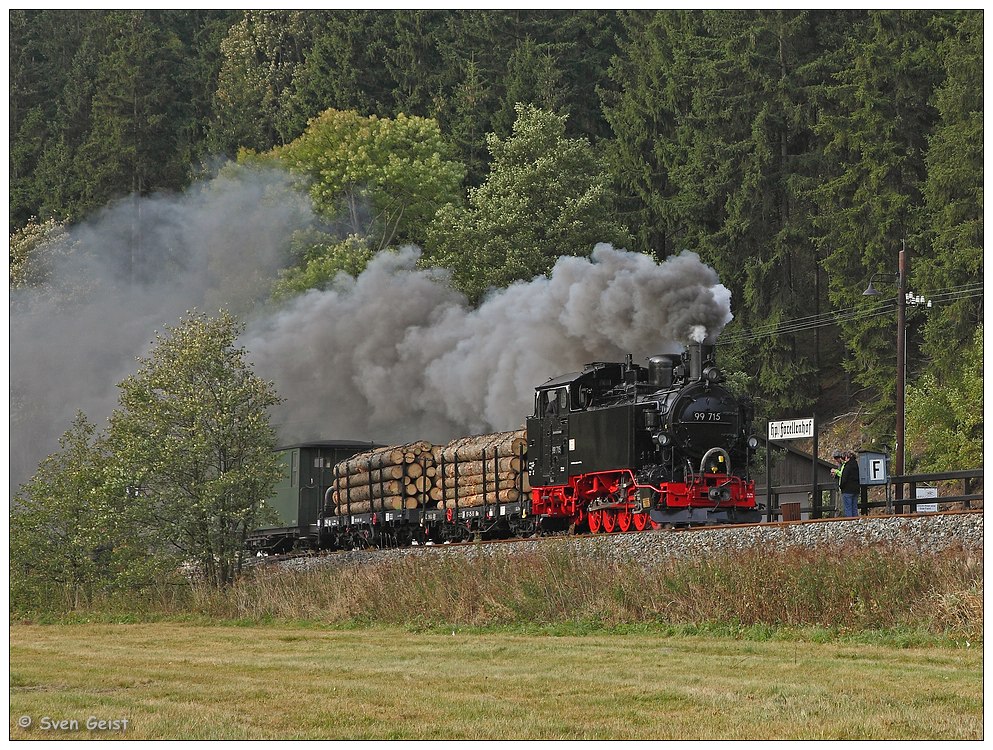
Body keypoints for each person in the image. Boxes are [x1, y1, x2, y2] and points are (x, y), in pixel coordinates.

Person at [831, 450, 861, 517]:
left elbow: (844, 477)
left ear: (848, 457)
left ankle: (850, 522)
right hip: (856, 489)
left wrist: (841, 486)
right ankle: (855, 522)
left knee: (848, 508)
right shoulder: (856, 465)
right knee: (854, 508)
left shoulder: (847, 466)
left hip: (847, 490)